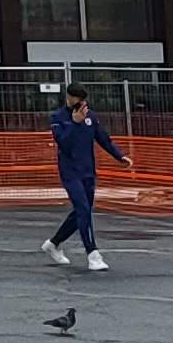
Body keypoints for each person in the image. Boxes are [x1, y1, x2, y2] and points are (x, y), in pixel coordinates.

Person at [47, 85, 127, 273]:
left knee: (81, 212)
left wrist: (119, 156)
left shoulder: (90, 116)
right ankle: (93, 254)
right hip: (70, 172)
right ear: (69, 98)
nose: (81, 104)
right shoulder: (58, 117)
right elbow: (63, 143)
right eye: (77, 99)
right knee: (83, 208)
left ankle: (54, 243)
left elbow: (103, 138)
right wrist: (75, 123)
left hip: (88, 171)